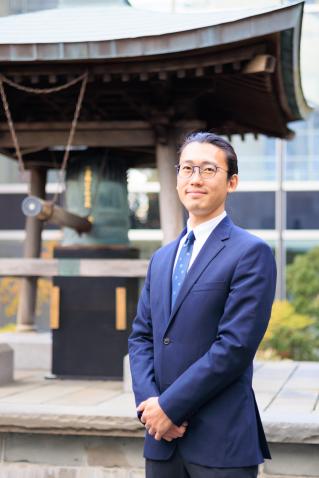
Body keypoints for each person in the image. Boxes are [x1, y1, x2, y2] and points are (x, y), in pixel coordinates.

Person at [128, 132, 277, 478]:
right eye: (187, 168)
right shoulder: (162, 258)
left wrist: (170, 407)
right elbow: (141, 337)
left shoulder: (250, 253)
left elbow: (234, 347)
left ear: (232, 182)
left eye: (208, 170)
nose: (195, 178)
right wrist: (152, 410)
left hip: (220, 443)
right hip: (161, 443)